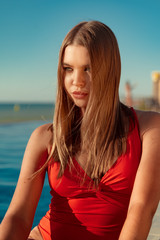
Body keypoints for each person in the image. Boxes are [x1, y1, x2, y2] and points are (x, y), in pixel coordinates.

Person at [0, 20, 160, 240]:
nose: (77, 81)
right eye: (68, 69)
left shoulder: (149, 128)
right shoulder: (45, 137)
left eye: (89, 68)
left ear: (110, 69)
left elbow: (141, 208)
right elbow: (17, 217)